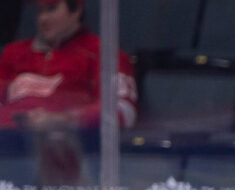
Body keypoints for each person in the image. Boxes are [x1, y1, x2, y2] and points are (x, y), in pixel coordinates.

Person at [0, 0, 137, 130]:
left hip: (71, 147)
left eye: (51, 9)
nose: (43, 19)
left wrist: (64, 120)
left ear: (76, 9)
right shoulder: (14, 53)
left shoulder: (103, 53)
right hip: (9, 145)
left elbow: (124, 110)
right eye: (39, 11)